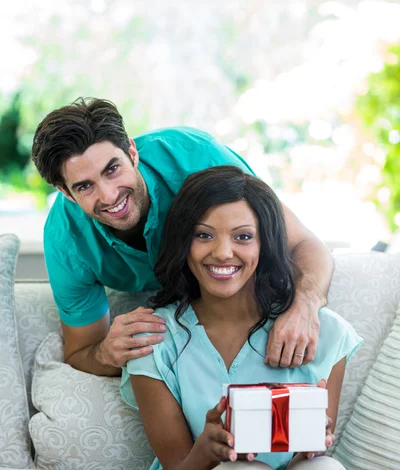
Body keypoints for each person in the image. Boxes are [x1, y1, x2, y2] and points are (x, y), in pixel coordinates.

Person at [119, 165, 379, 470]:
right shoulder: (156, 339)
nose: (223, 253)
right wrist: (209, 445)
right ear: (183, 242)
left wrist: (311, 443)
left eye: (243, 236)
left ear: (266, 245)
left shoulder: (321, 333)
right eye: (204, 235)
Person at [31, 97, 334, 376]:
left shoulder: (198, 158)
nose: (109, 196)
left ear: (132, 153)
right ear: (65, 193)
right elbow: (81, 350)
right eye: (85, 186)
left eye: (112, 169)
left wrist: (304, 306)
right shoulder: (65, 242)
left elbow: (304, 245)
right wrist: (106, 354)